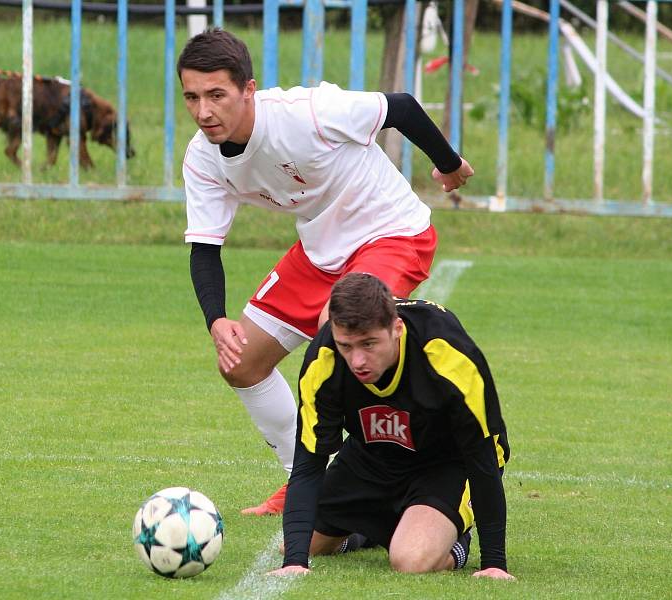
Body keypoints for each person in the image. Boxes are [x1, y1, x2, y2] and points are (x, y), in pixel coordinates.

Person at [177, 28, 475, 515]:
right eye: (192, 97)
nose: (204, 111)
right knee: (240, 361)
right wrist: (216, 319)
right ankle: (304, 478)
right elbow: (205, 247)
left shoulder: (305, 113)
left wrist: (449, 164)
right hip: (320, 251)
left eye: (217, 95)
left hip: (392, 233)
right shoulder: (203, 157)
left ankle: (398, 479)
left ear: (248, 89)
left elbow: (398, 106)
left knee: (339, 334)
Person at [270, 273, 514, 580]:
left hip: (449, 462)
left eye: (369, 344)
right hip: (372, 455)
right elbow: (309, 463)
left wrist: (494, 563)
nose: (357, 360)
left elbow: (483, 455)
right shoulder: (325, 359)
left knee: (411, 559)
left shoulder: (445, 352)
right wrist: (295, 562)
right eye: (347, 345)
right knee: (302, 544)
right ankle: (371, 532)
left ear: (396, 329)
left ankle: (453, 540)